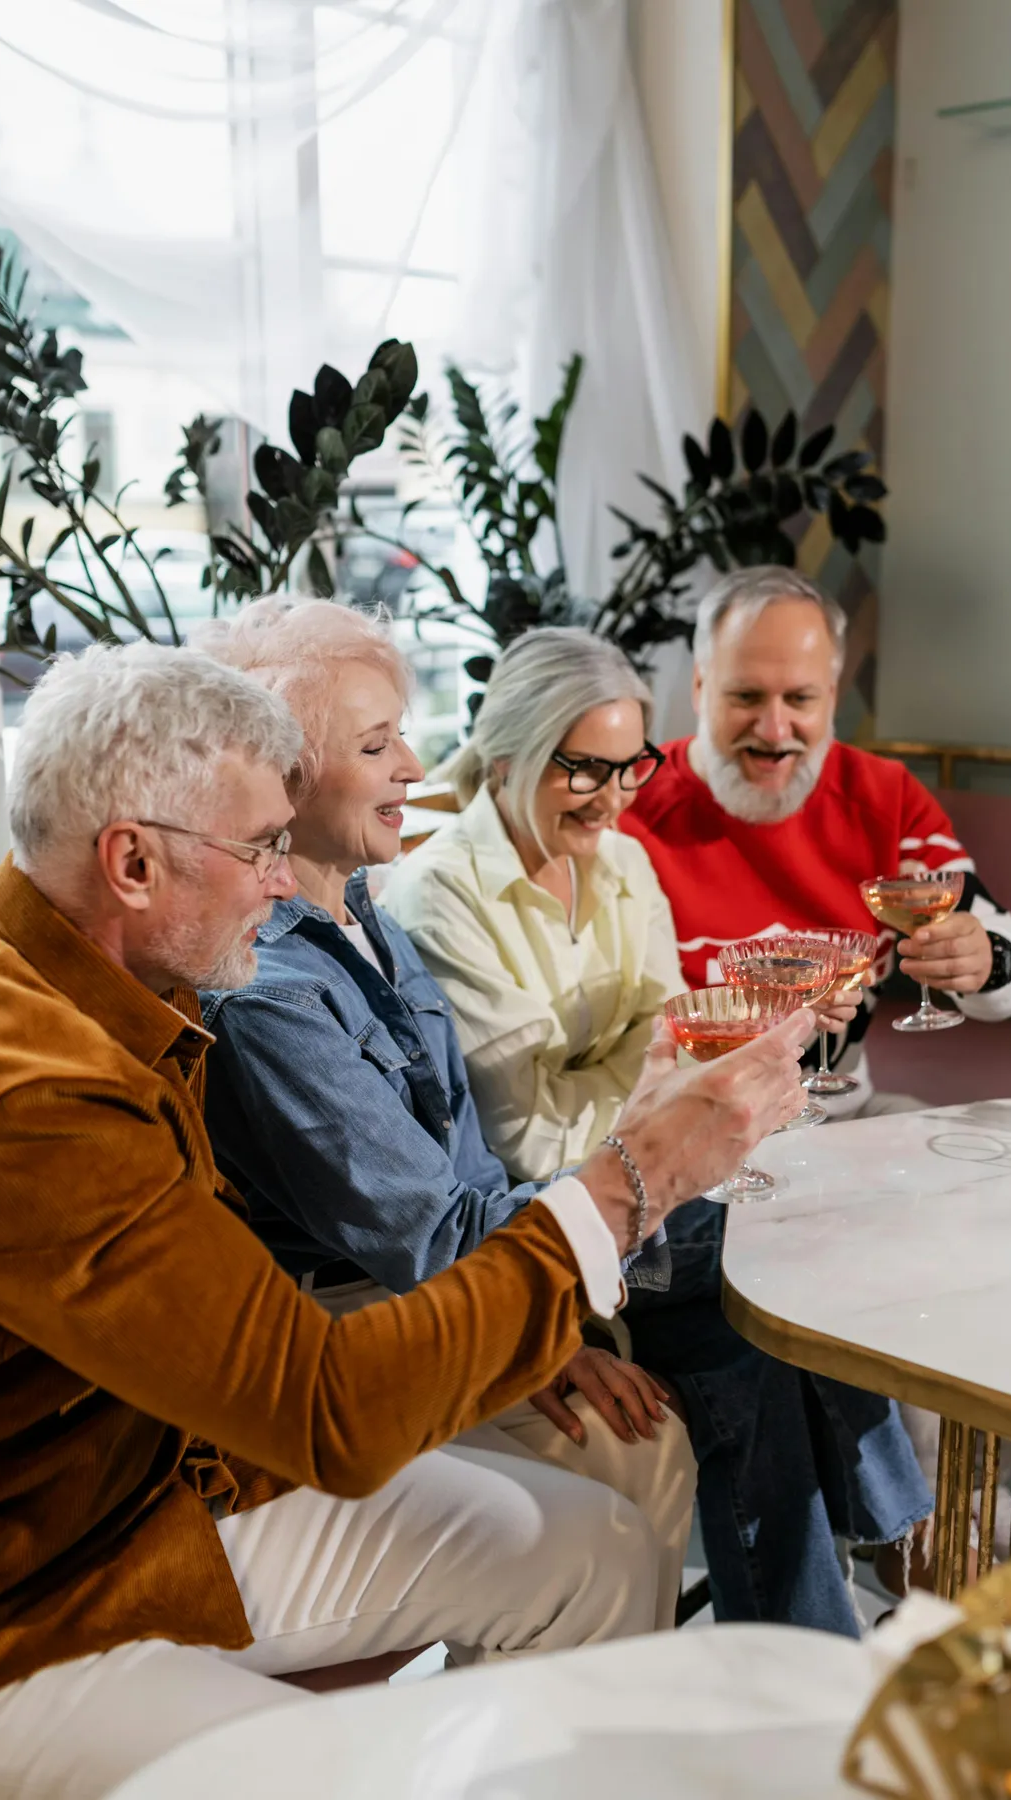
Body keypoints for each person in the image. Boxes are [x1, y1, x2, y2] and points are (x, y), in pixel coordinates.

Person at [0, 639, 811, 1800]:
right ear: (132, 862)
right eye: (258, 848)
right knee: (370, 1774)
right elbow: (328, 1408)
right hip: (12, 1610)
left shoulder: (74, 957)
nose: (276, 881)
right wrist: (627, 1181)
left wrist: (505, 1317)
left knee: (595, 1550)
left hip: (158, 1490)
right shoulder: (28, 1090)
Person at [383, 626, 933, 1637]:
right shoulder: (437, 894)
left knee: (787, 1292)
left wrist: (641, 1076)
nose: (611, 795)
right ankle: (891, 1562)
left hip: (648, 1187)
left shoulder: (624, 862)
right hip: (549, 1218)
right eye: (580, 767)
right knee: (777, 1289)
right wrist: (648, 1079)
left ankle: (807, 1640)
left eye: (629, 764)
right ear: (505, 755)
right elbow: (523, 1123)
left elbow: (669, 1041)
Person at [196, 599, 697, 1631]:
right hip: (339, 1336)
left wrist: (541, 1328)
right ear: (278, 780)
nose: (417, 767)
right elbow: (432, 1232)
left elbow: (466, 1178)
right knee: (633, 1458)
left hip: (429, 1302)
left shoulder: (367, 917)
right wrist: (659, 1154)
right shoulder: (266, 987)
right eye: (377, 745)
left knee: (645, 1441)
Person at [620, 566, 1011, 1117]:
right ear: (700, 688)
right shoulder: (626, 804)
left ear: (833, 697)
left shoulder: (885, 798)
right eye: (746, 696)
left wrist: (984, 960)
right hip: (685, 1131)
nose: (774, 729)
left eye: (800, 698)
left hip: (843, 1120)